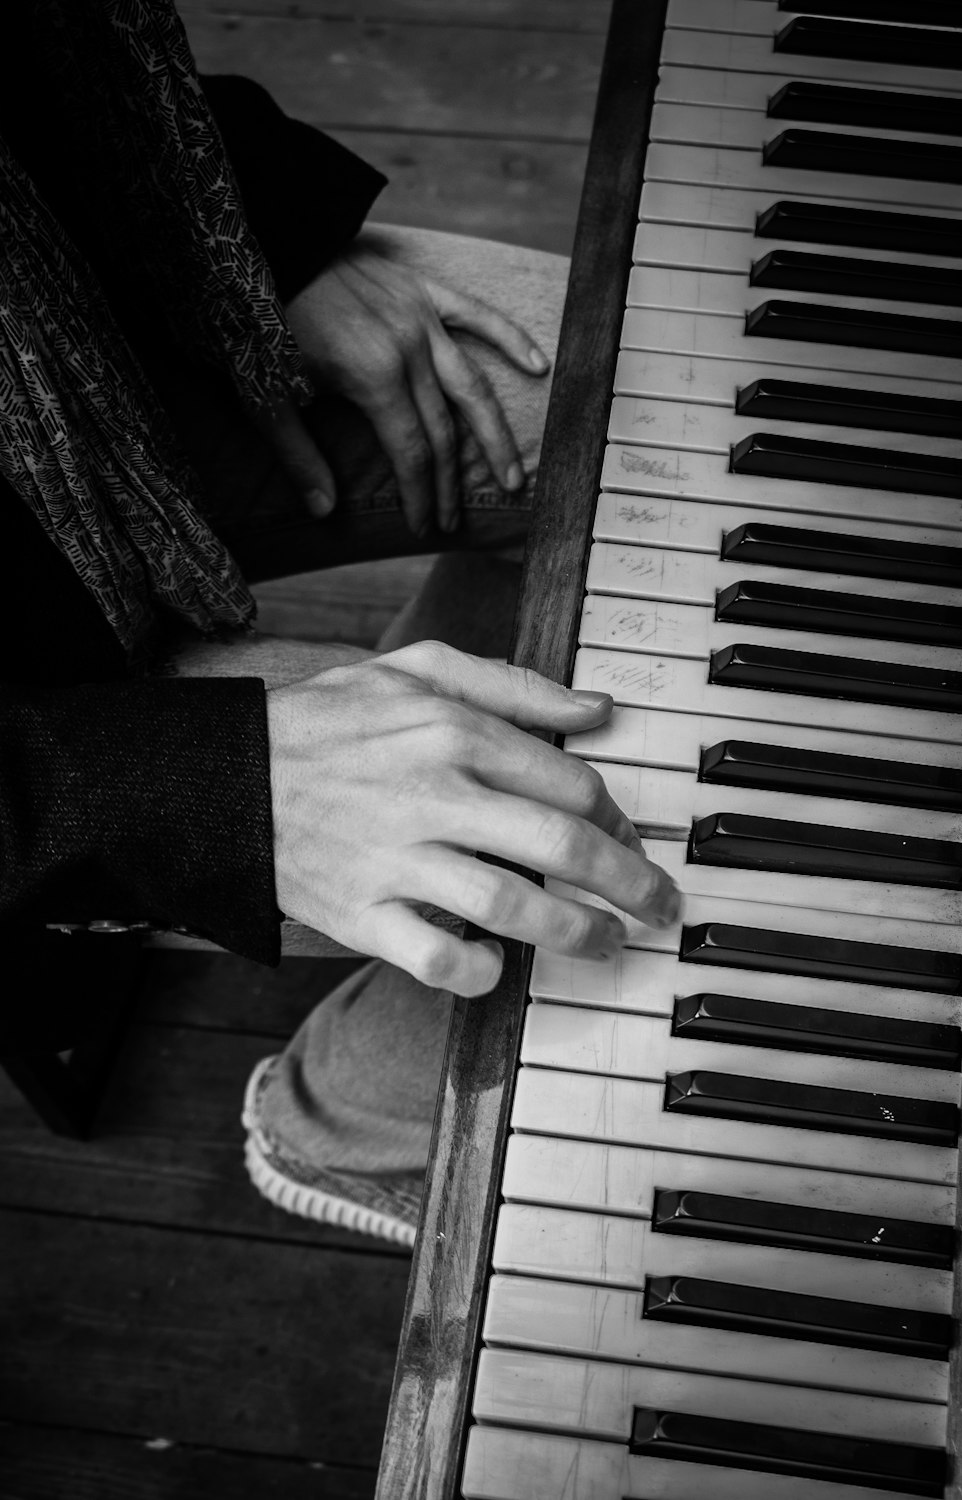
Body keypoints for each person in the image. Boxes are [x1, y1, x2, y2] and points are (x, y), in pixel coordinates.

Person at [0, 0, 679, 1243]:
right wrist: (192, 787)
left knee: (622, 402)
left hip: (51, 350)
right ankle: (345, 1123)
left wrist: (260, 233)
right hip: (36, 729)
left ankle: (432, 737)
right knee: (625, 816)